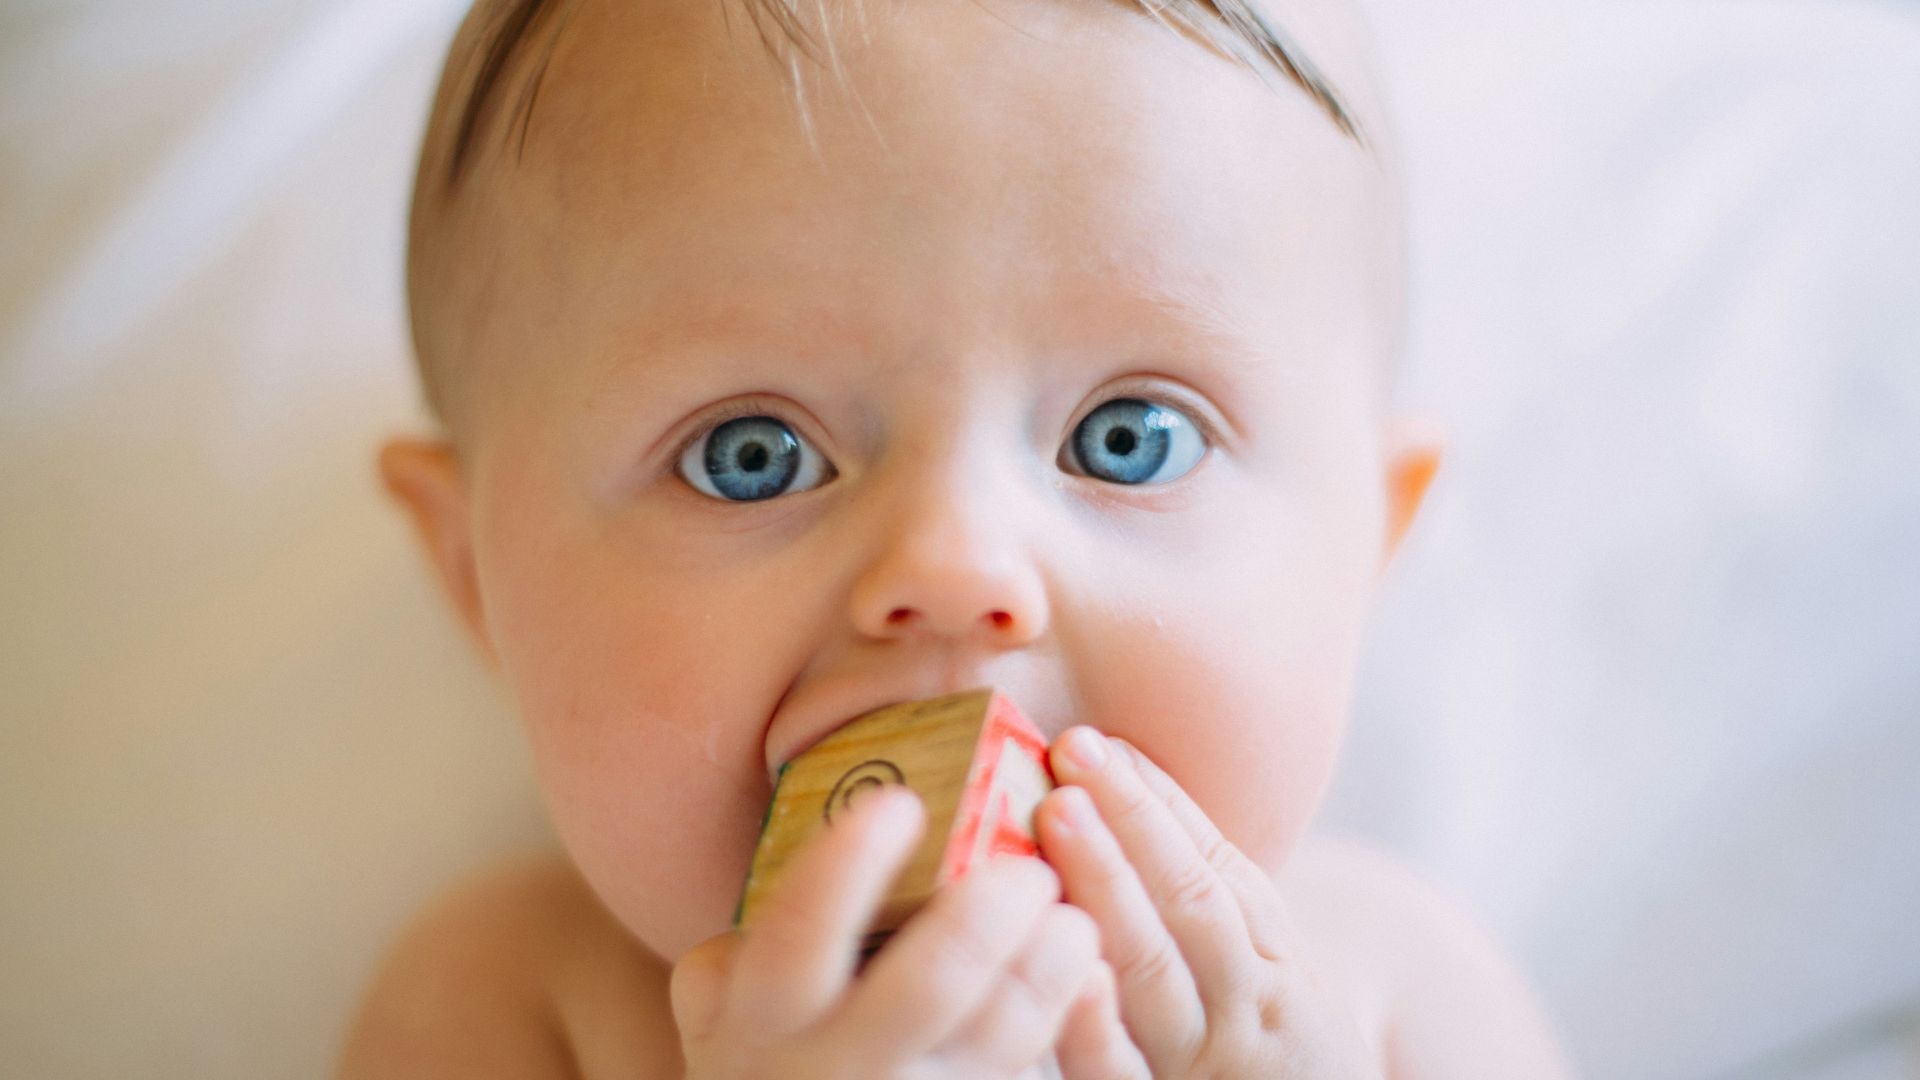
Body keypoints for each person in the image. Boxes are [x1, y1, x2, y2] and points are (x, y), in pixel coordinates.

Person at [340, 0, 1573, 1073]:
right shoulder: (503, 1009)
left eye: (1130, 437)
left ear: (1366, 550)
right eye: (750, 457)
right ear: (475, 575)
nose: (954, 564)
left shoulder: (1398, 997)